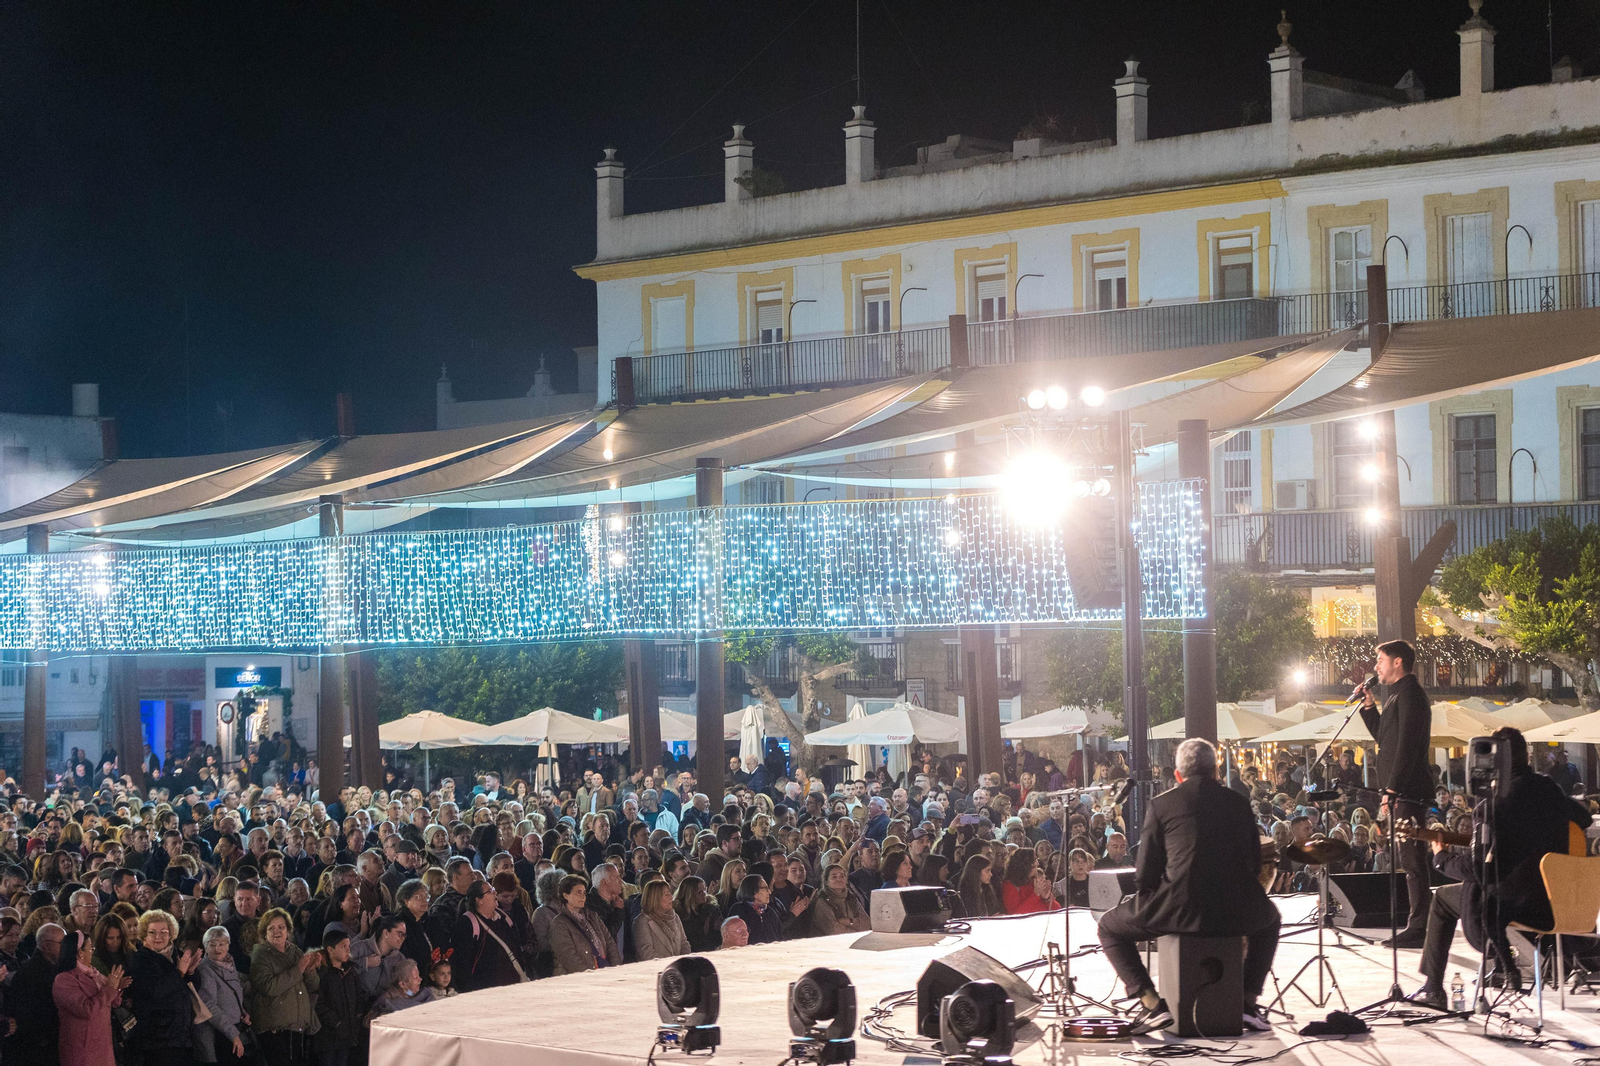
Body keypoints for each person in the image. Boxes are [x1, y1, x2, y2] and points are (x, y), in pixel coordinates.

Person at [1097, 739, 1279, 1034]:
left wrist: (1156, 897)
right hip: (1235, 909)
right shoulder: (1239, 802)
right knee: (1270, 920)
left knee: (1109, 927)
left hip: (1178, 909)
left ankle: (1151, 1003)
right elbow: (1254, 862)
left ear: (1178, 775)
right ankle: (1246, 1003)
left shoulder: (1162, 804)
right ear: (1216, 772)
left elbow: (1145, 874)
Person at [1409, 727, 1592, 1009]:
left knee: (1444, 898)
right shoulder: (1549, 789)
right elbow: (1584, 818)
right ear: (1525, 756)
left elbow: (1478, 870)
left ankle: (1434, 988)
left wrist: (1441, 858)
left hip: (1510, 909)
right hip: (1554, 904)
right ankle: (1500, 966)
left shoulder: (1491, 804)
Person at [1356, 639, 1436, 946]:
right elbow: (1384, 737)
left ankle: (1419, 928)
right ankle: (1416, 924)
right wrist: (1368, 706)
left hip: (1409, 791)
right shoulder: (1397, 696)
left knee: (1413, 860)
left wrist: (1392, 788)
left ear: (1398, 661)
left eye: (1380, 660)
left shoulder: (1411, 694)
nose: (1376, 666)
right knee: (1408, 858)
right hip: (1399, 789)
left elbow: (1408, 745)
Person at [125, 910, 202, 1066]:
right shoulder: (141, 960)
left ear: (171, 934)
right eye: (152, 932)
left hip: (181, 1033)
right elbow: (155, 990)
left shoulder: (176, 955)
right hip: (157, 1037)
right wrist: (179, 972)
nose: (158, 937)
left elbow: (191, 988)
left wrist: (191, 972)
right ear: (144, 934)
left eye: (163, 932)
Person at [249, 907, 321, 1065]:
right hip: (275, 1030)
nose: (277, 932)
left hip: (296, 1028)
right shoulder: (261, 955)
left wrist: (309, 970)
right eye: (271, 928)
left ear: (288, 930)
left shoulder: (294, 951)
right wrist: (299, 969)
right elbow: (269, 987)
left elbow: (314, 985)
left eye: (281, 927)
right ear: (264, 932)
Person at [53, 928, 125, 1066]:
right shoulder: (64, 980)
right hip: (83, 1051)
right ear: (80, 953)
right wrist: (110, 988)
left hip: (102, 1047)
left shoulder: (94, 974)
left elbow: (112, 1002)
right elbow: (87, 1010)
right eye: (90, 948)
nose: (92, 951)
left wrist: (117, 986)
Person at [453, 880, 528, 989]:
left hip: (512, 984)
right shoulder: (468, 924)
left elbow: (517, 946)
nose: (495, 893)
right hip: (486, 989)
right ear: (479, 900)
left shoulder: (504, 917)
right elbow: (463, 963)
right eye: (490, 891)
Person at [194, 925, 249, 1064]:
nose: (217, 949)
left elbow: (232, 994)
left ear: (228, 945)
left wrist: (242, 1012)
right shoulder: (205, 970)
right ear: (205, 946)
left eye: (221, 944)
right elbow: (209, 1005)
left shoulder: (229, 964)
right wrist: (233, 1035)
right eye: (212, 944)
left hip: (234, 1027)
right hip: (221, 1032)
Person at [313, 929, 366, 1066]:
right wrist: (336, 1022)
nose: (348, 950)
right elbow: (318, 1002)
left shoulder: (350, 971)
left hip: (347, 1032)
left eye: (349, 946)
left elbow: (359, 994)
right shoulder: (322, 974)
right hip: (328, 1035)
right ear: (330, 950)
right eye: (343, 947)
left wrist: (358, 1014)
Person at [549, 874, 619, 974]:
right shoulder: (559, 924)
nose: (583, 896)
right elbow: (569, 957)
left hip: (604, 971)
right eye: (578, 892)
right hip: (578, 979)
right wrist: (590, 976)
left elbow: (609, 942)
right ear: (565, 895)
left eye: (584, 893)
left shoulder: (592, 916)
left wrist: (616, 969)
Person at [633, 879, 692, 961]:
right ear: (655, 898)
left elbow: (684, 943)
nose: (671, 897)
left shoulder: (675, 917)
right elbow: (646, 953)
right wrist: (670, 964)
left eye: (670, 893)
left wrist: (683, 962)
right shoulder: (642, 922)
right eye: (667, 895)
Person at [810, 863, 870, 935]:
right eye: (834, 877)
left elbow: (867, 923)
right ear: (826, 882)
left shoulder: (851, 898)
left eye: (842, 876)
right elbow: (835, 930)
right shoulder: (822, 901)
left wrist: (848, 921)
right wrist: (857, 929)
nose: (839, 879)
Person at [725, 876, 784, 945]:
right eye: (765, 888)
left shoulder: (770, 912)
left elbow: (780, 937)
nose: (769, 892)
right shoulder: (739, 910)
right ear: (754, 892)